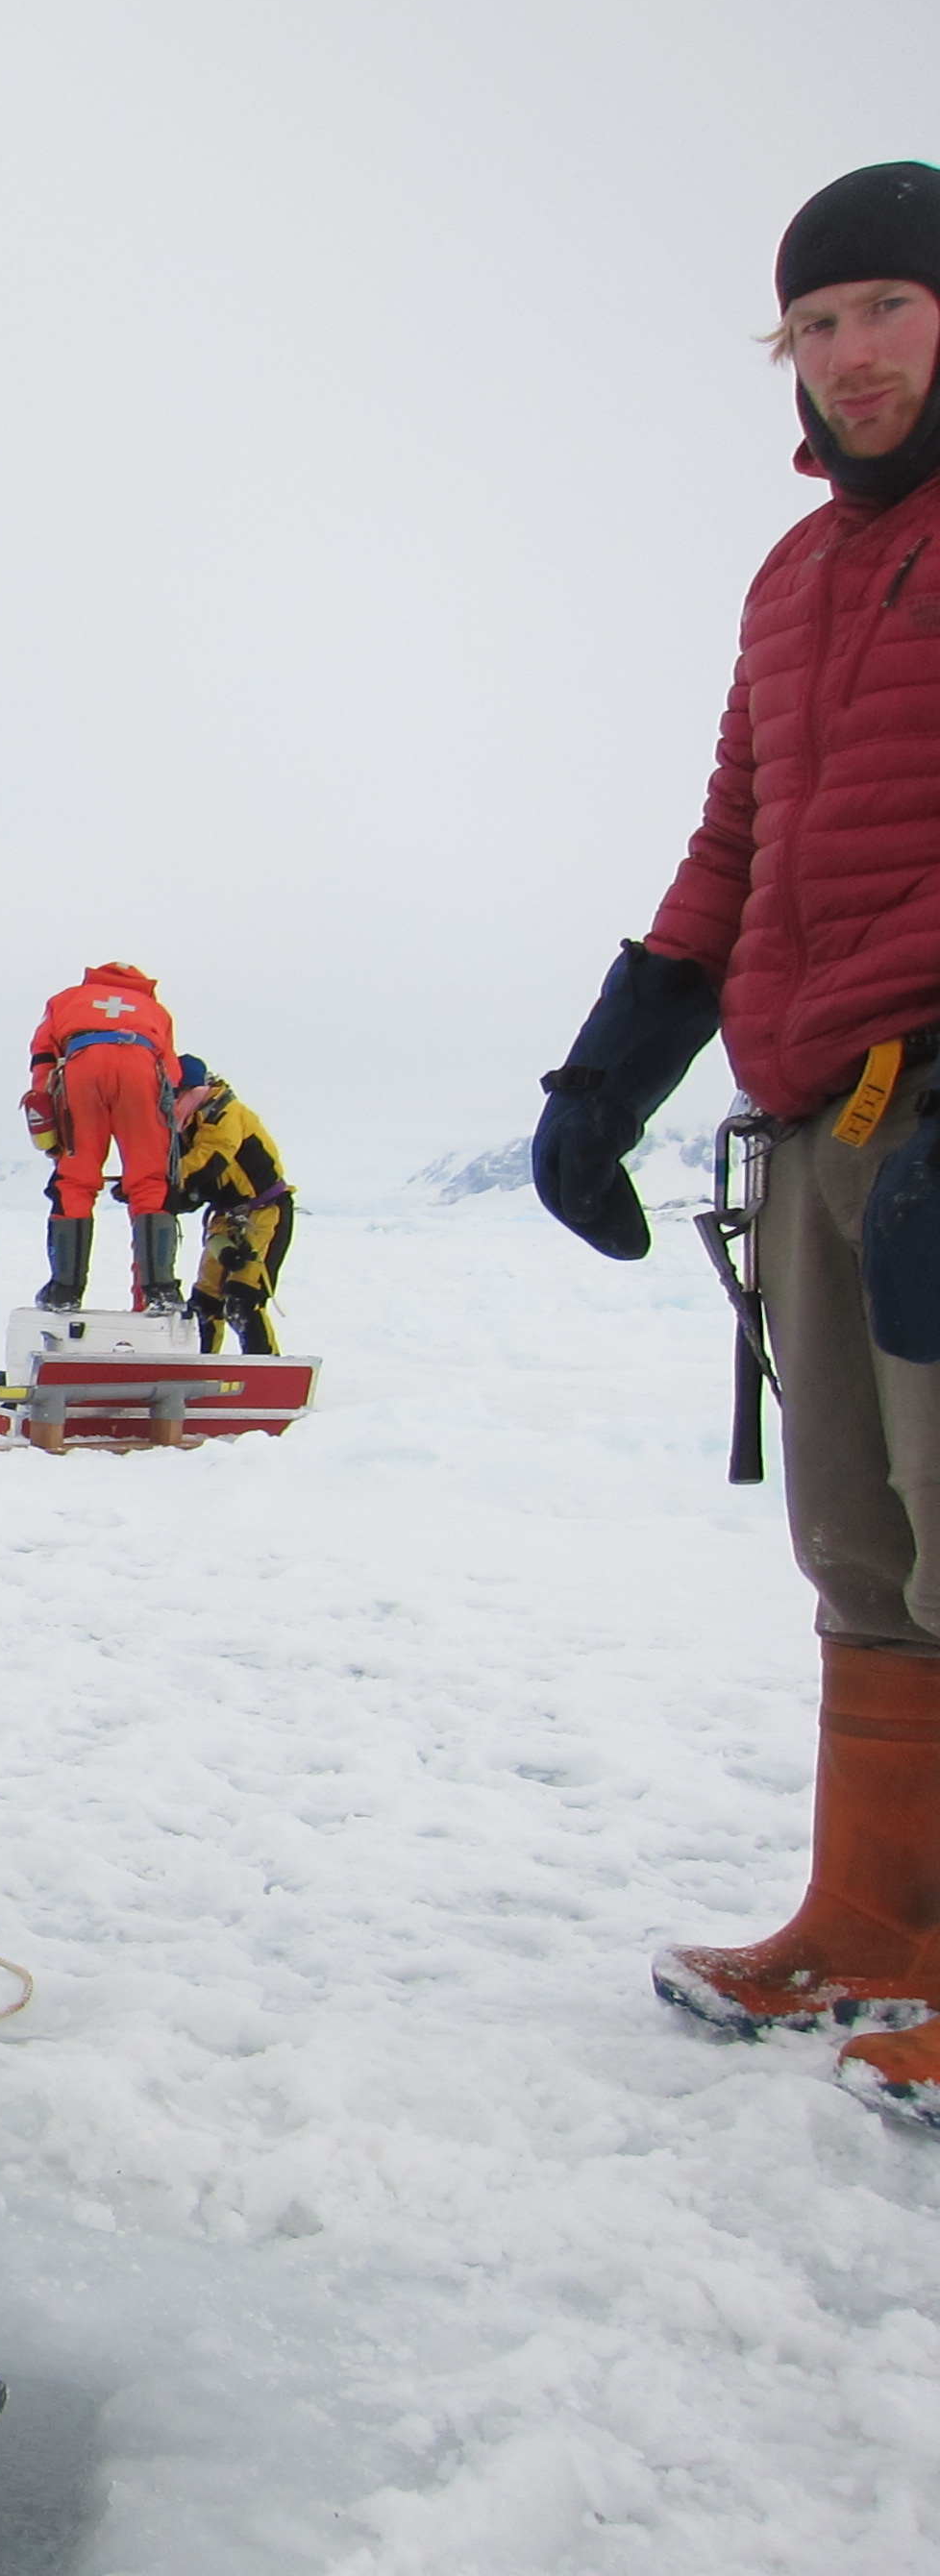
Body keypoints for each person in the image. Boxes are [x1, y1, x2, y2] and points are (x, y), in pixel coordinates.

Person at [531, 163, 940, 2134]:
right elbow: (738, 845)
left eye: (889, 307)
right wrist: (608, 1076)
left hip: (938, 1100)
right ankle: (876, 1919)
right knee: (860, 1547)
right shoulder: (790, 582)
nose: (855, 356)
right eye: (820, 322)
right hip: (814, 1119)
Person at [25, 961, 182, 1311]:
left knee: (76, 1179)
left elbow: (43, 1054)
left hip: (83, 1066)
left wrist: (48, 1101)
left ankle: (65, 1290)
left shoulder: (66, 999)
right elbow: (171, 1069)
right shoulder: (155, 1010)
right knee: (150, 1180)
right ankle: (160, 1291)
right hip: (143, 1070)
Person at [169, 1055, 294, 1354]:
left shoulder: (226, 1114)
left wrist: (162, 1186)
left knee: (243, 1299)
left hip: (265, 1213)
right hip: (226, 1219)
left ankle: (267, 1374)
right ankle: (203, 1368)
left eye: (174, 1092)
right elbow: (196, 1187)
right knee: (205, 1301)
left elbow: (208, 1163)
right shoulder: (187, 1126)